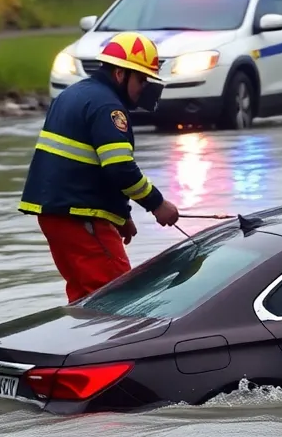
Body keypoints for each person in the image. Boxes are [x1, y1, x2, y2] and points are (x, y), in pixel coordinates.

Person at [19, 31, 180, 303]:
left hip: (54, 214)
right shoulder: (109, 107)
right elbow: (120, 168)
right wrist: (157, 204)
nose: (144, 88)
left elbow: (90, 165)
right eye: (141, 79)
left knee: (85, 301)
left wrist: (120, 214)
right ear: (120, 74)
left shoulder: (74, 94)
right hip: (81, 216)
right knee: (120, 300)